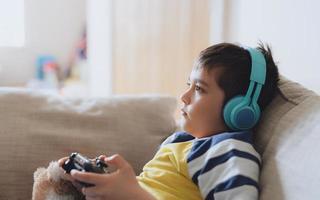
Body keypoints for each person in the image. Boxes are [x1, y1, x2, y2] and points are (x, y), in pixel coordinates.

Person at [59, 42, 279, 200]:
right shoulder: (179, 141)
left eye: (200, 89)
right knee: (53, 180)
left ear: (240, 111)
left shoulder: (227, 151)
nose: (184, 97)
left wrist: (133, 194)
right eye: (188, 85)